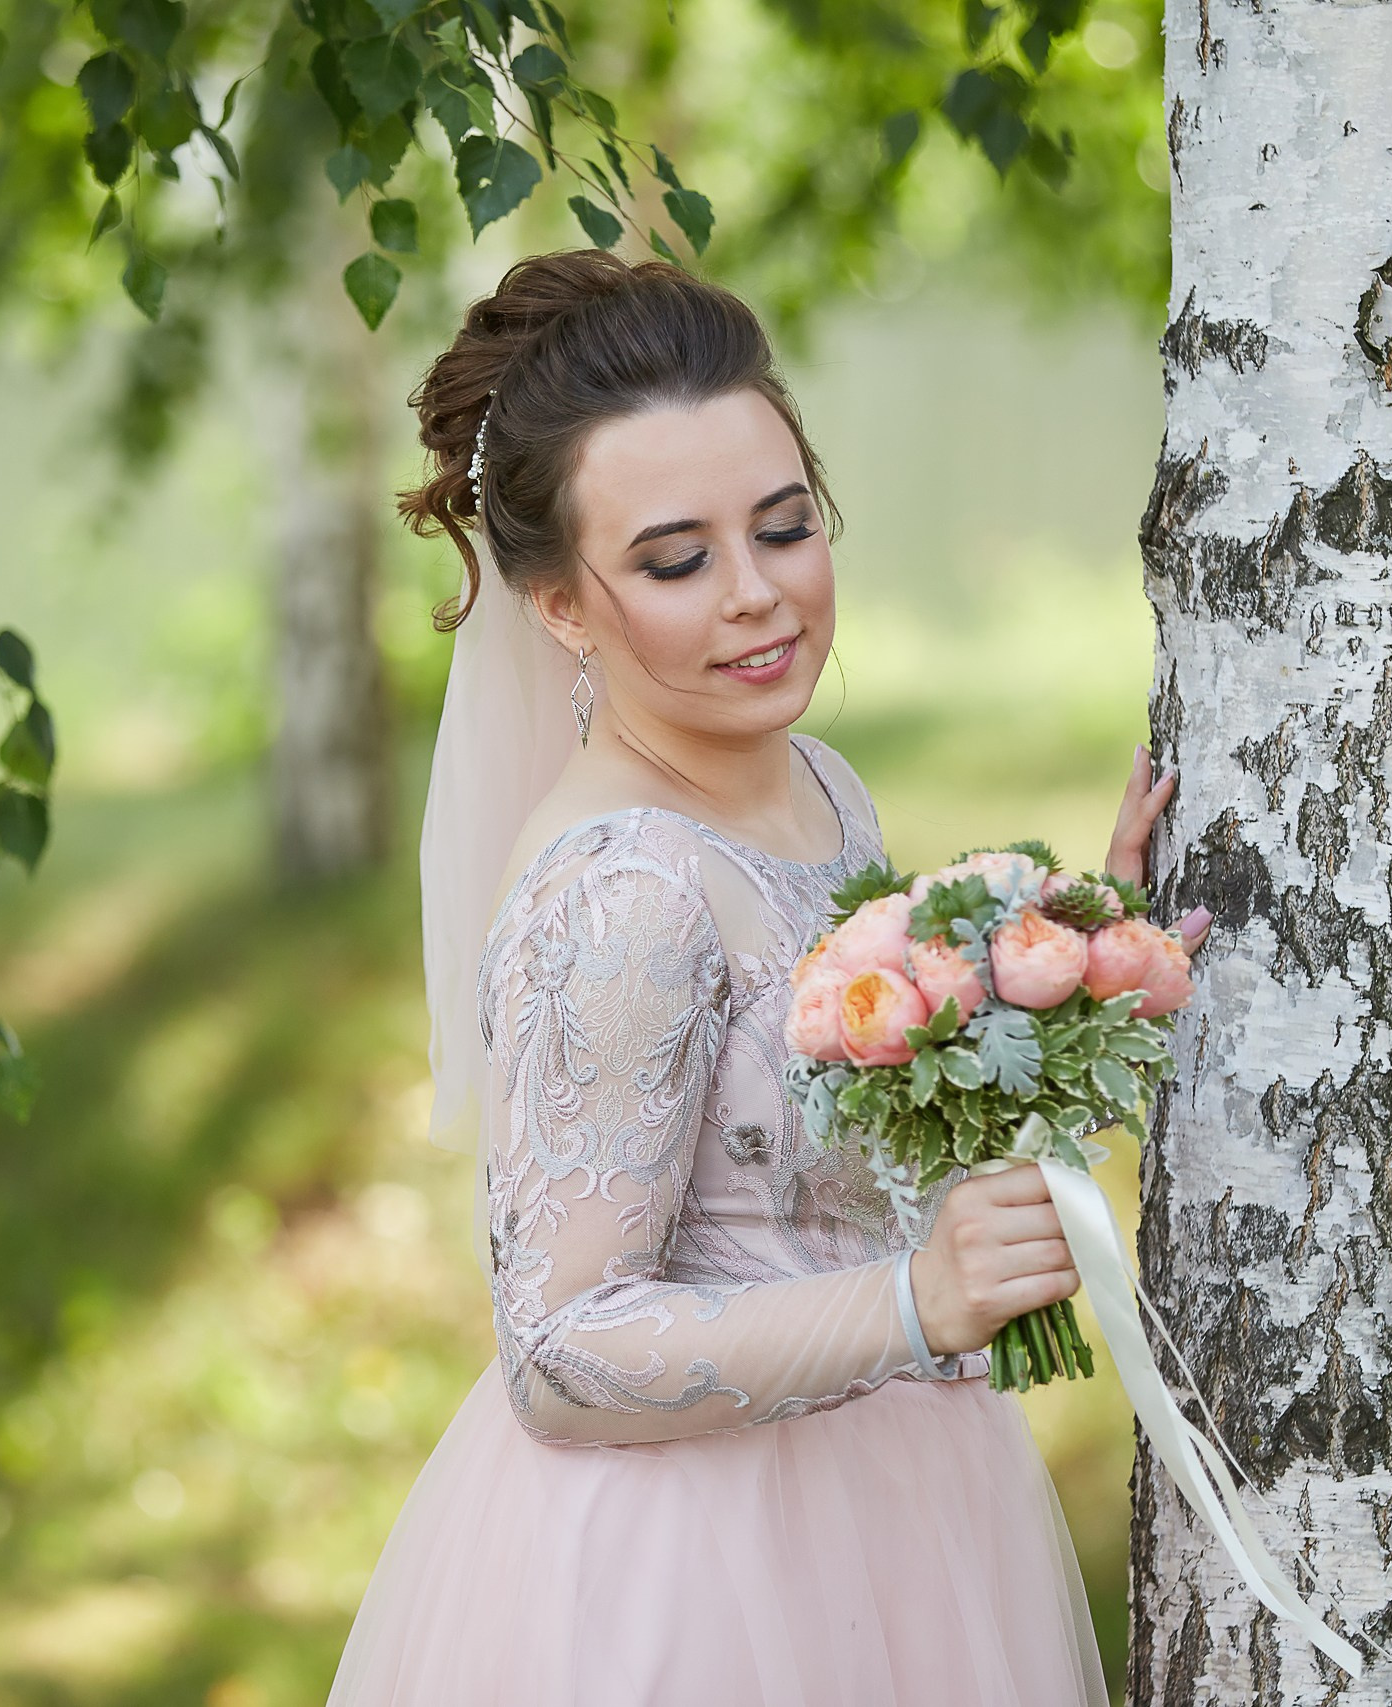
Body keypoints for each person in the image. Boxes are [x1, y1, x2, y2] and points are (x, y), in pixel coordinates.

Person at [328, 249, 1205, 1707]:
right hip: (696, 1574)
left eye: (785, 529)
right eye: (676, 561)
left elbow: (837, 1136)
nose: (758, 598)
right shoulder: (625, 897)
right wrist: (914, 1304)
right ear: (559, 608)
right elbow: (560, 1350)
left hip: (893, 1505)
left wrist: (1077, 968)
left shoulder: (817, 786)